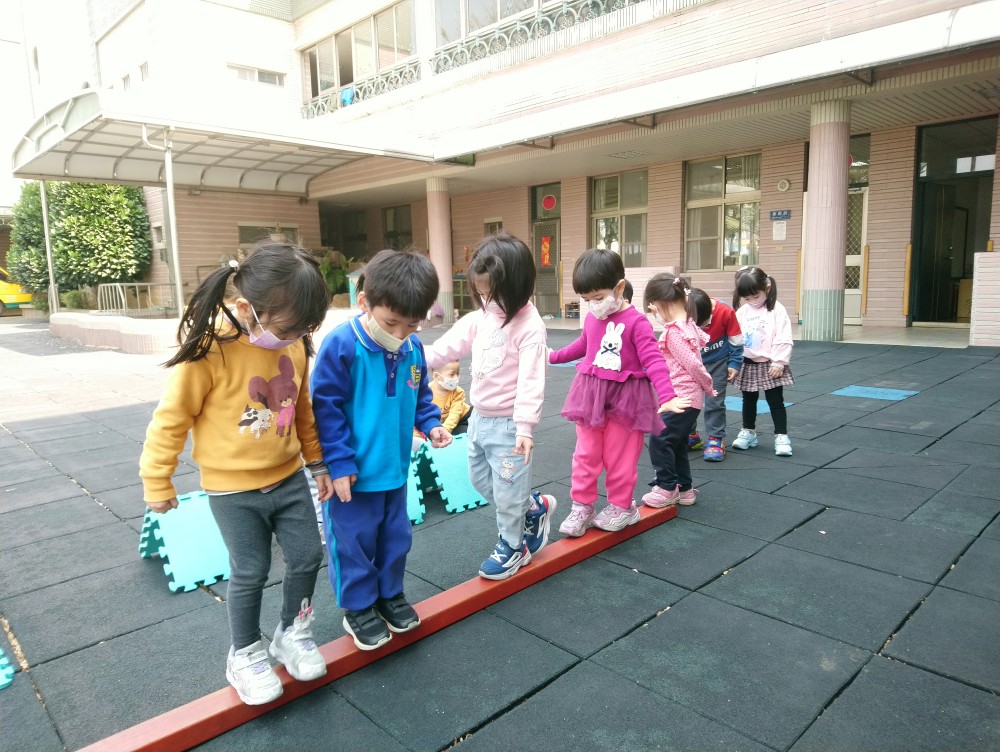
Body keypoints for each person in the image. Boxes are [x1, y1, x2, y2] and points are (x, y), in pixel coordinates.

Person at [140, 243, 332, 706]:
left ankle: (292, 632)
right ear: (246, 309)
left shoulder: (294, 345)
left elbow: (302, 409)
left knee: (308, 554)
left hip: (288, 476)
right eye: (288, 328)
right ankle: (244, 653)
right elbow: (171, 420)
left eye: (305, 329)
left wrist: (317, 462)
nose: (296, 337)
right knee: (251, 569)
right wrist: (158, 480)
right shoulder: (209, 351)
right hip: (232, 489)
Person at [311, 250, 452, 650]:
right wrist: (339, 463)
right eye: (392, 322)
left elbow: (420, 396)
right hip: (352, 476)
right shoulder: (342, 344)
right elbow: (325, 409)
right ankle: (358, 607)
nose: (401, 332)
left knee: (395, 538)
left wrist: (432, 424)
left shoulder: (412, 348)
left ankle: (390, 594)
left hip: (394, 469)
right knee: (352, 543)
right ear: (364, 302)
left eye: (412, 324)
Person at [426, 232, 555, 581]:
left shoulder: (530, 327)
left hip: (511, 426)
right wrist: (411, 355)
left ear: (516, 286)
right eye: (482, 293)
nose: (488, 301)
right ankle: (534, 507)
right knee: (482, 482)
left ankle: (513, 546)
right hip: (480, 419)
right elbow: (445, 348)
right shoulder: (481, 317)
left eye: (494, 294)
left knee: (508, 492)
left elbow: (531, 380)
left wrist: (525, 427)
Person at [549, 249, 690, 536]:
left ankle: (622, 507)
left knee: (620, 457)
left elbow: (654, 360)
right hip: (591, 398)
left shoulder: (637, 323)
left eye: (598, 297)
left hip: (627, 400)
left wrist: (667, 395)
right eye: (586, 300)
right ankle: (582, 506)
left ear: (620, 287)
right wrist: (552, 356)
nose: (593, 305)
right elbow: (583, 345)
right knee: (585, 454)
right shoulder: (592, 318)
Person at [642, 276, 717, 507]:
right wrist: (659, 313)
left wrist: (708, 385)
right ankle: (684, 489)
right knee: (676, 443)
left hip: (682, 397)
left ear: (662, 302)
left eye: (656, 307)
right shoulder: (688, 324)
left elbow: (693, 365)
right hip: (688, 398)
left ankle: (667, 487)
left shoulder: (675, 332)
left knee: (659, 439)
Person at [731, 266, 795, 456]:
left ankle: (781, 435)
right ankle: (748, 431)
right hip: (748, 363)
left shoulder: (776, 310)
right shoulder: (743, 312)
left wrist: (779, 362)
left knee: (775, 401)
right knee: (748, 400)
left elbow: (783, 336)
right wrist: (733, 361)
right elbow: (734, 337)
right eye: (747, 298)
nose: (752, 301)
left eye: (755, 296)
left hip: (770, 364)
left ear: (767, 288)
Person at [686, 288, 744, 462]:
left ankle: (716, 439)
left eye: (704, 324)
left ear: (710, 311)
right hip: (691, 362)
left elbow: (736, 340)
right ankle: (690, 435)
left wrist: (734, 363)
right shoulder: (684, 311)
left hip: (717, 362)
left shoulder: (725, 312)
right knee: (687, 400)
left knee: (714, 401)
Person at [427, 360, 472, 435]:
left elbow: (455, 414)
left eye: (458, 373)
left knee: (468, 434)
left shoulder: (458, 392)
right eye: (452, 374)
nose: (456, 378)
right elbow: (422, 414)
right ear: (437, 376)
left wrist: (445, 430)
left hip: (462, 418)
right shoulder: (427, 392)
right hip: (442, 423)